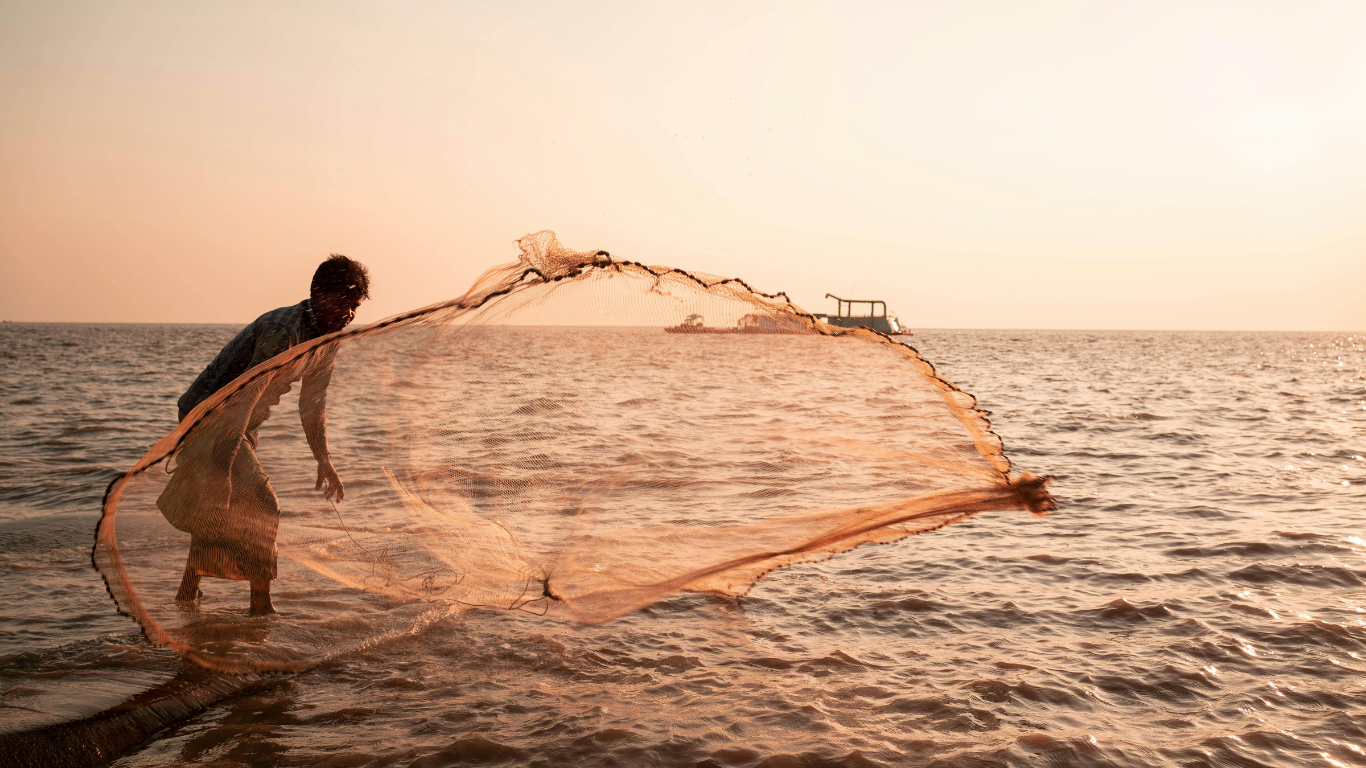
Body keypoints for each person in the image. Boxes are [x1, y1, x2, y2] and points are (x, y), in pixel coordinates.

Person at [160, 255, 370, 615]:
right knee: (262, 505)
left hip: (241, 424)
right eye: (341, 304)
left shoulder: (328, 336)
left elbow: (313, 403)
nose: (347, 316)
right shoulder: (283, 331)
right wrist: (220, 473)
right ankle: (261, 606)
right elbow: (242, 400)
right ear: (317, 294)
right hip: (206, 417)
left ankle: (187, 593)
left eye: (354, 308)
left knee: (222, 506)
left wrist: (325, 460)